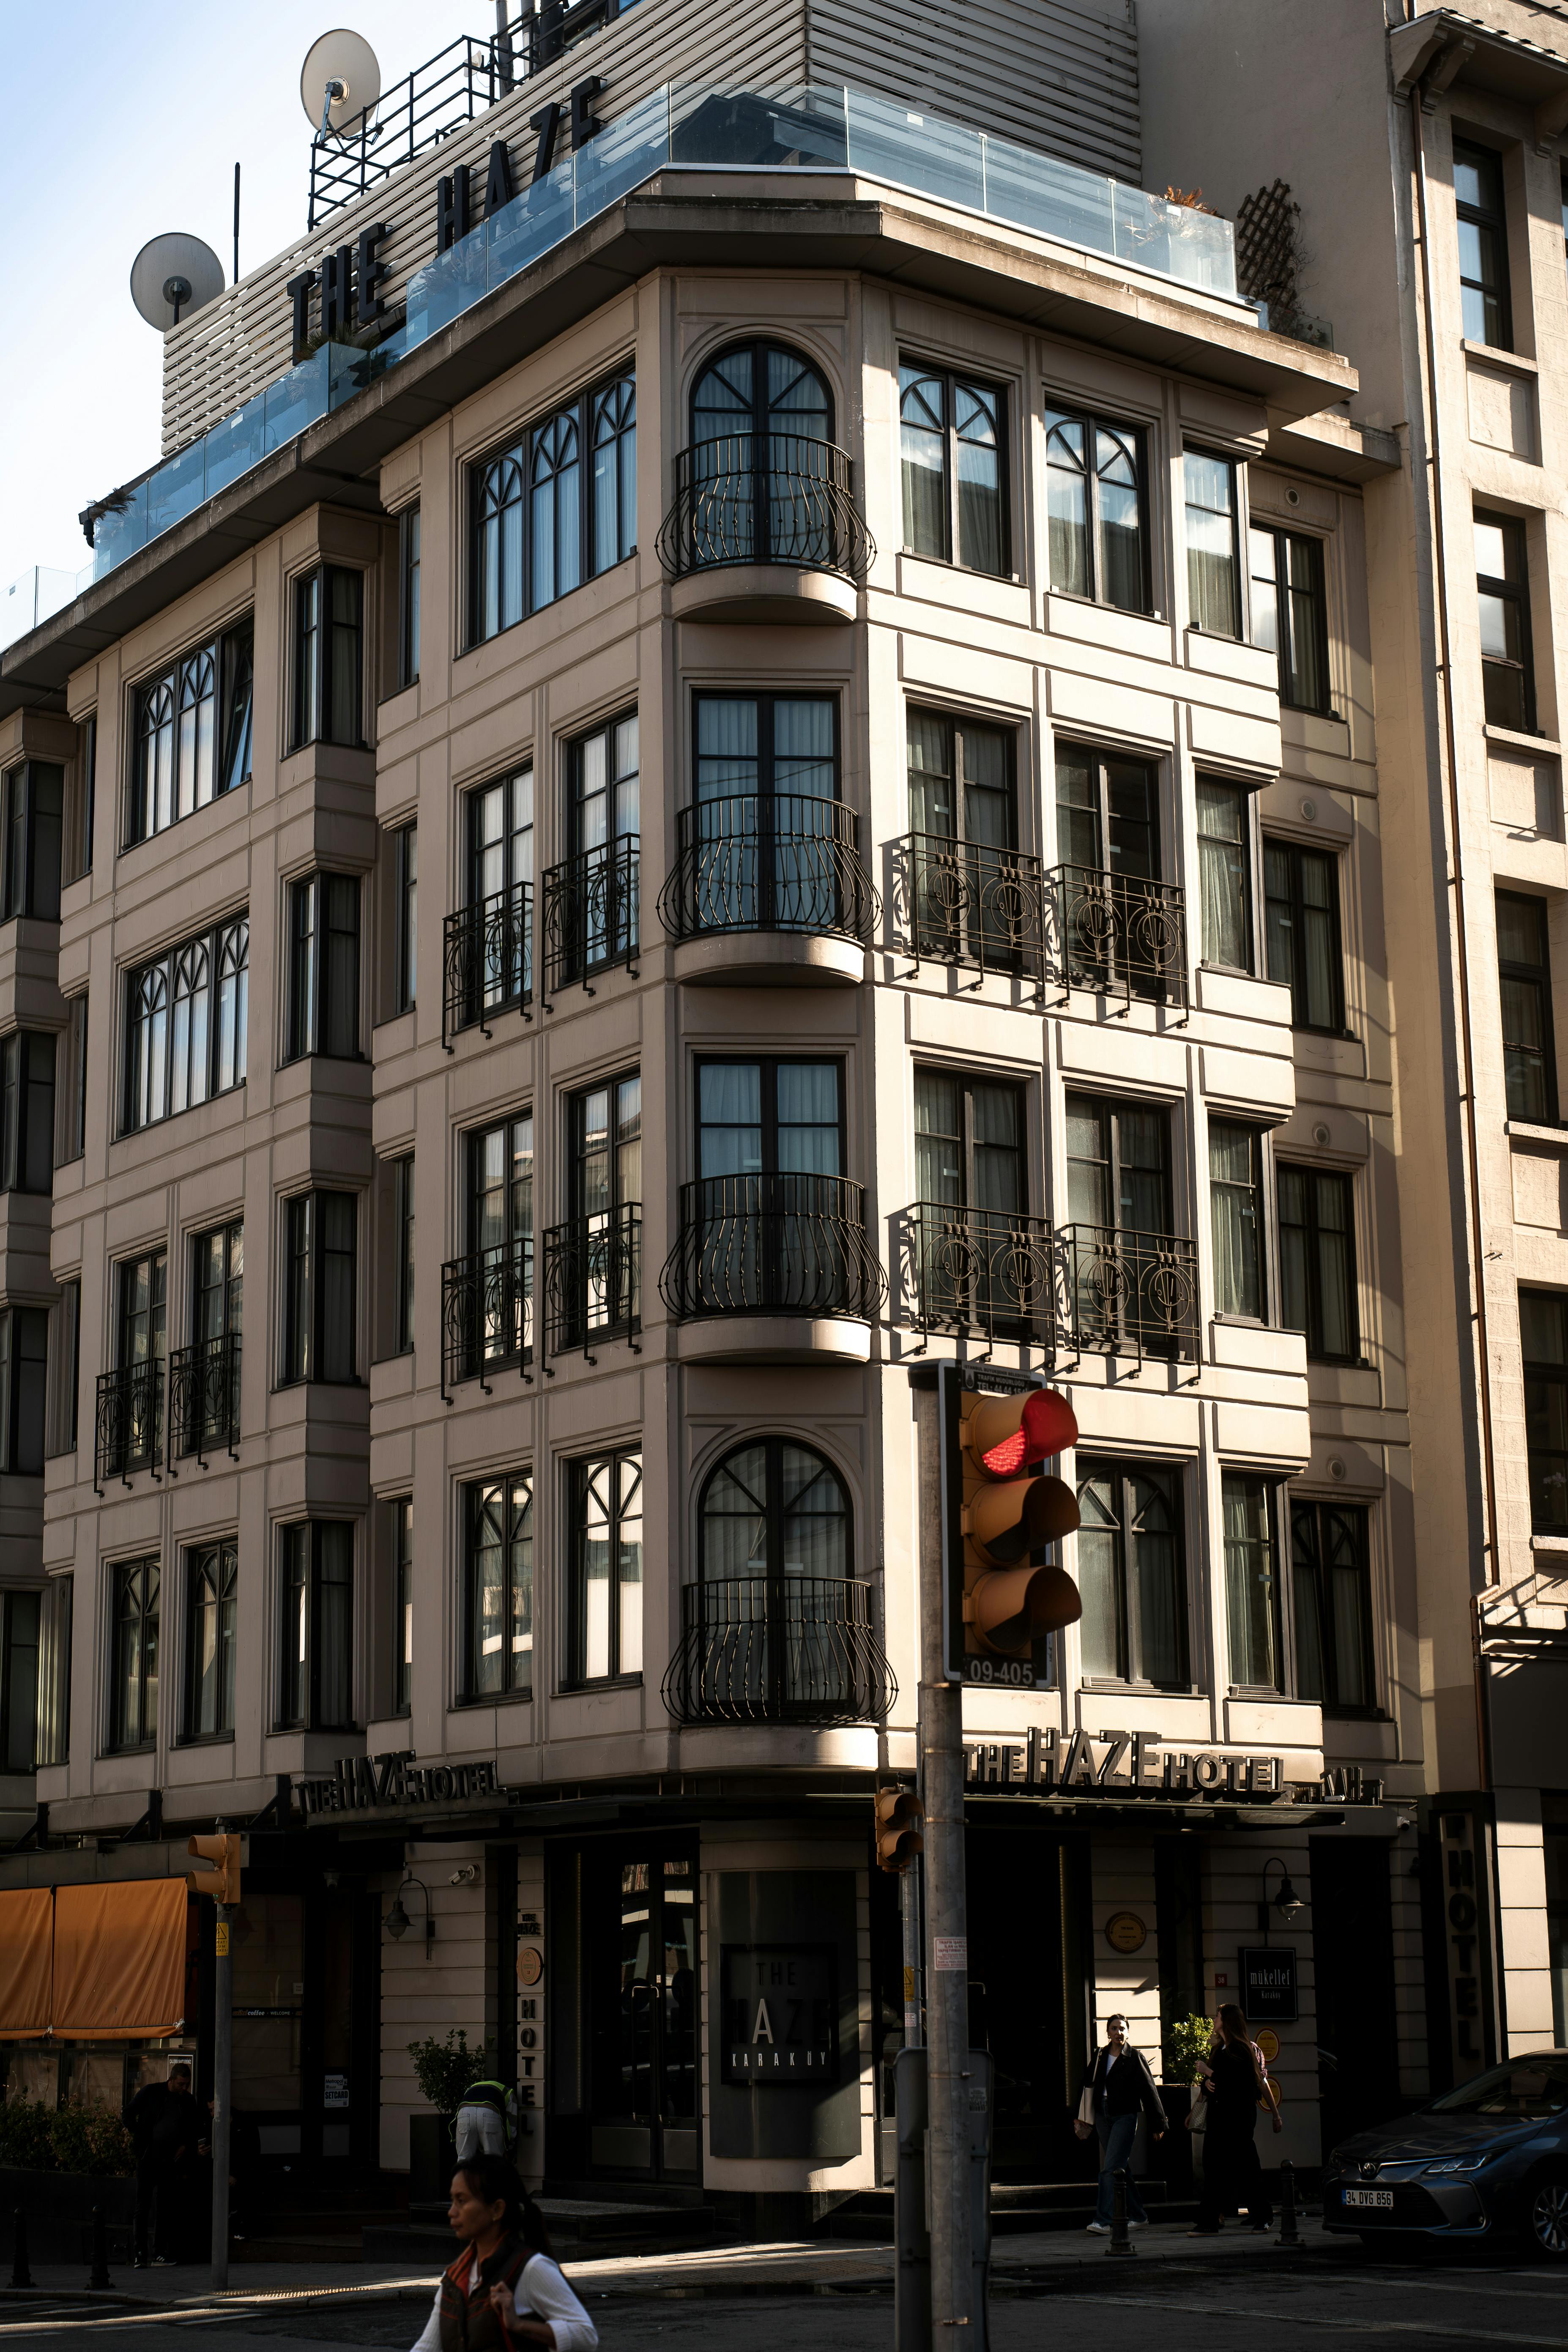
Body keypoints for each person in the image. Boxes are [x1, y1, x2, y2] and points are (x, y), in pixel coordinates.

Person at [410, 2155, 597, 2351]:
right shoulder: (455, 2277)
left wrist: (519, 2325)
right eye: (452, 2200)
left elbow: (586, 2335)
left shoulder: (530, 2268)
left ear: (497, 2209)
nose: (452, 2212)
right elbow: (428, 2346)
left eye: (462, 2201)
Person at [1189, 2002, 1281, 2234]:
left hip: (1238, 2118)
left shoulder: (1241, 2049)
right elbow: (1216, 2084)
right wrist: (1205, 2088)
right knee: (1213, 2168)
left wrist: (1208, 2073)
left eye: (1218, 2015)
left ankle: (1263, 2216)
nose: (1214, 2019)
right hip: (1219, 2117)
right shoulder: (1218, 2049)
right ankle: (1209, 2221)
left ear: (1227, 2021)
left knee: (1247, 2168)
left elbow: (1238, 2083)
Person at [1075, 2012, 1166, 2233]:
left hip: (1125, 2116)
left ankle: (1104, 2220)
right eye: (1114, 2028)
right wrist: (1080, 2117)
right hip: (1102, 2116)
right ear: (1108, 2032)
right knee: (1119, 2166)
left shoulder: (1134, 2057)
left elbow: (1149, 2090)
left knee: (1109, 2169)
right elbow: (1087, 2084)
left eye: (1122, 2028)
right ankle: (1138, 2215)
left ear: (1127, 2032)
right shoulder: (1100, 2056)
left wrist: (1158, 2123)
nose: (1118, 2032)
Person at [127, 2062, 201, 2267]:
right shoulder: (151, 2092)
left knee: (165, 2206)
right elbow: (128, 2114)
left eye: (187, 2084)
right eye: (181, 2084)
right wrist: (143, 2137)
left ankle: (159, 2251)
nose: (184, 2088)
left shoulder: (187, 2101)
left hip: (169, 2161)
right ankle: (140, 2253)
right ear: (172, 2080)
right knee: (143, 2205)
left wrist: (185, 2146)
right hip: (148, 2158)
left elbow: (192, 2128)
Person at [454, 2074, 519, 2161]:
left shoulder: (472, 2088)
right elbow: (512, 2126)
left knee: (464, 2160)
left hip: (465, 2113)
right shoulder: (509, 2092)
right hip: (490, 2113)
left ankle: (462, 2174)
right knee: (493, 2162)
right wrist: (509, 2147)